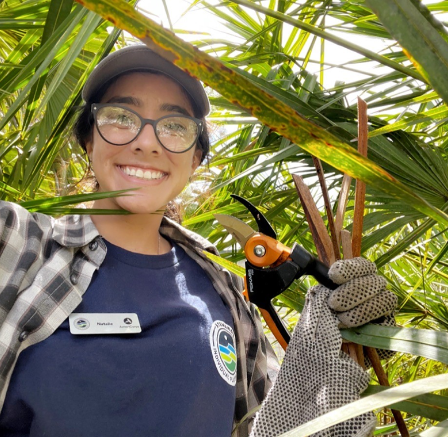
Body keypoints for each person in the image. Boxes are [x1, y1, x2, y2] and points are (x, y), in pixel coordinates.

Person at [0, 45, 397, 437]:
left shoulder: (222, 292)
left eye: (174, 126)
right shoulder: (19, 242)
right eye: (121, 116)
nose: (148, 142)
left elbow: (272, 424)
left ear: (194, 159)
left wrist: (348, 341)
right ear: (89, 140)